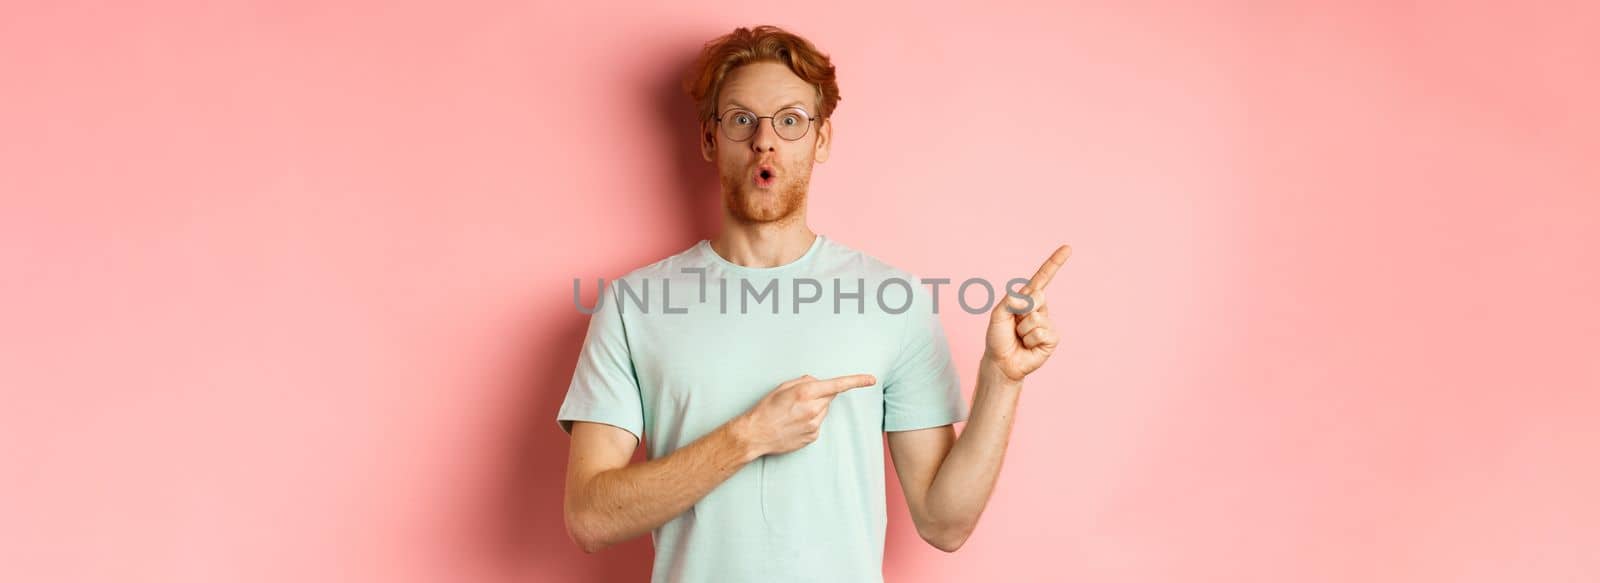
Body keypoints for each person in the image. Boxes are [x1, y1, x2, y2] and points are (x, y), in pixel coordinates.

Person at [556, 24, 1070, 583]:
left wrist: (1002, 378)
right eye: (741, 120)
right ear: (710, 139)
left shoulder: (892, 301)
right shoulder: (635, 305)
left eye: (790, 120)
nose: (765, 141)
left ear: (820, 140)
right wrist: (748, 437)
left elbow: (943, 524)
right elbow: (589, 517)